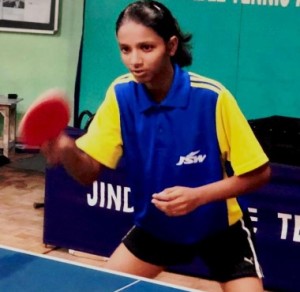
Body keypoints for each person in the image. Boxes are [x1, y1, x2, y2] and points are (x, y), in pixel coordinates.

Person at [41, 1, 271, 291]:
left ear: (171, 46)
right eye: (125, 49)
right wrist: (66, 147)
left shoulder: (212, 98)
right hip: (157, 227)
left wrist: (197, 197)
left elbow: (260, 174)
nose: (134, 60)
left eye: (146, 48)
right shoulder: (120, 95)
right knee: (101, 287)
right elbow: (88, 173)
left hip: (218, 229)